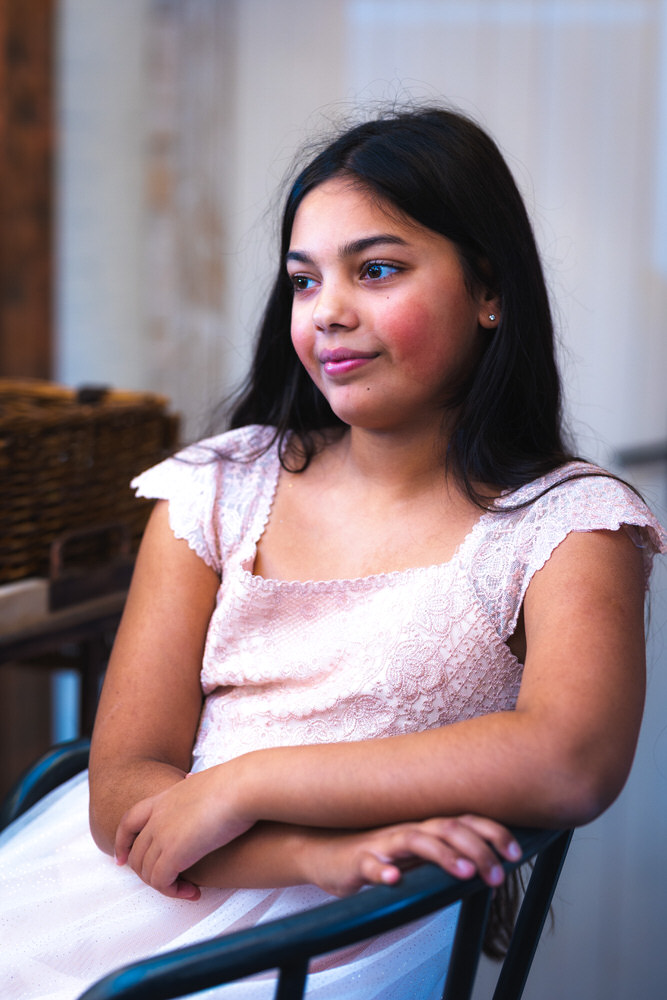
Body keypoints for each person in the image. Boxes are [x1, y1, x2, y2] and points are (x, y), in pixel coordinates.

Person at [0, 106, 664, 1000]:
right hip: (160, 877)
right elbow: (124, 792)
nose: (329, 313)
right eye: (303, 282)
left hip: (353, 931)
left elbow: (569, 760)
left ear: (488, 289)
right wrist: (315, 849)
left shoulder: (568, 522)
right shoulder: (216, 487)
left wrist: (249, 781)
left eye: (377, 269)